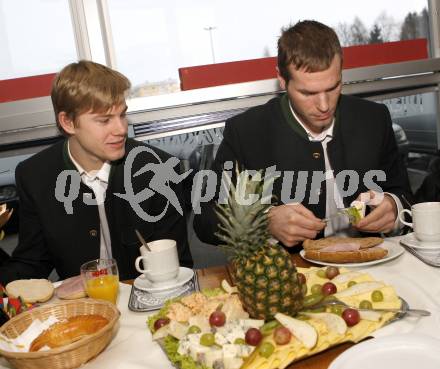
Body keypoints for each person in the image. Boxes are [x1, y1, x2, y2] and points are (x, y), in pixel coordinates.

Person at [194, 20, 412, 248]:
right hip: (292, 272)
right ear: (282, 80)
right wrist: (265, 220)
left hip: (372, 261)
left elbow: (403, 193)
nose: (324, 105)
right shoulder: (247, 132)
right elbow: (205, 219)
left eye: (333, 87)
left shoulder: (373, 119)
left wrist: (393, 206)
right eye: (308, 93)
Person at [0, 60, 192, 285]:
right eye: (104, 120)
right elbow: (32, 264)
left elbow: (179, 265)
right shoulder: (35, 176)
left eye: (122, 115)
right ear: (68, 122)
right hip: (82, 310)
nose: (121, 129)